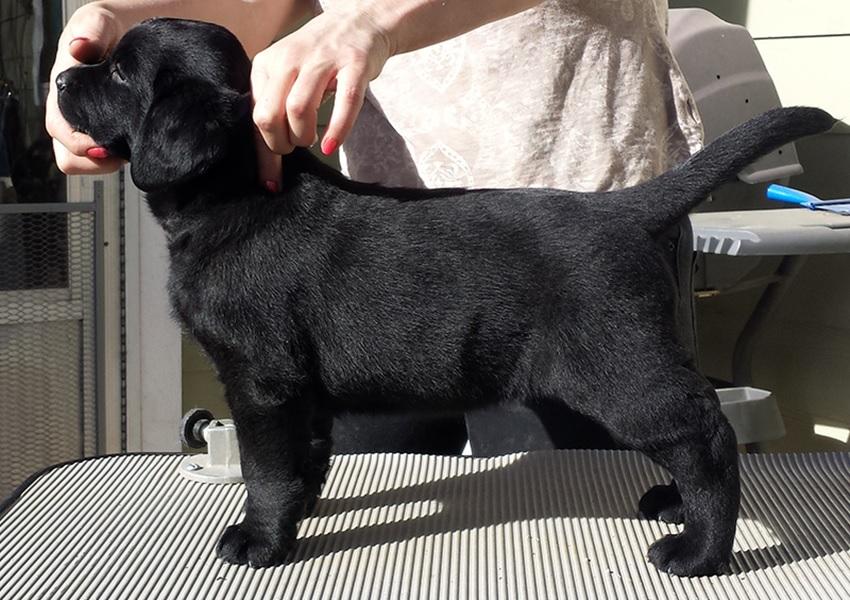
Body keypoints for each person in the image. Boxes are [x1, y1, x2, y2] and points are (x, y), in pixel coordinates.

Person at [47, 0, 703, 456]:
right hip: (372, 246)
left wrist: (374, 18)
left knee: (604, 511)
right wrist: (115, 21)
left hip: (570, 232)